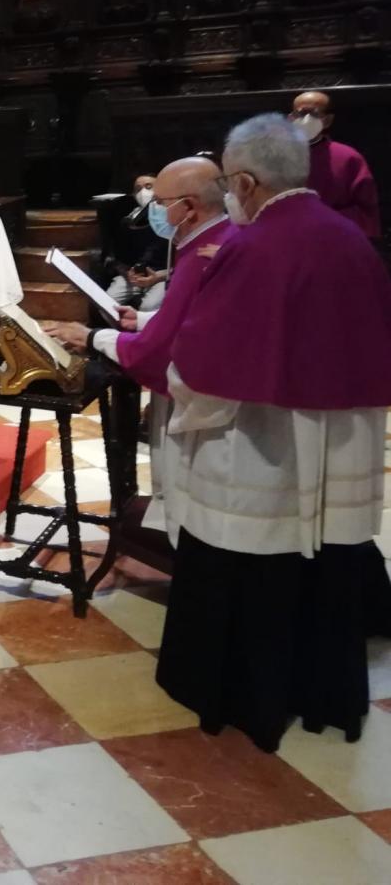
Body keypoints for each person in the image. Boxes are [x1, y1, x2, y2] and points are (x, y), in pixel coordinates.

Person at [156, 112, 391, 752]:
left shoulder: (249, 247)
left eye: (232, 183)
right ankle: (322, 691)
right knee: (325, 562)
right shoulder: (350, 238)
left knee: (252, 563)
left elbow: (203, 363)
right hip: (343, 438)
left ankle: (242, 694)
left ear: (249, 182)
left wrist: (175, 387)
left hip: (263, 447)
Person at [47, 156, 237, 529]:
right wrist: (145, 320)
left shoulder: (204, 253)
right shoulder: (213, 239)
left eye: (162, 203)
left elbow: (158, 351)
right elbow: (188, 319)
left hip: (205, 399)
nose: (155, 210)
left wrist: (92, 336)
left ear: (190, 206)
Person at [289, 90, 380, 239]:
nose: (306, 119)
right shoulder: (274, 157)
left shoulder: (349, 158)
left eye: (314, 114)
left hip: (334, 240)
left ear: (328, 120)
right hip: (287, 239)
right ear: (290, 118)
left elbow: (366, 211)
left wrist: (321, 220)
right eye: (300, 114)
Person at [104, 174, 169, 311]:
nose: (143, 192)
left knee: (148, 307)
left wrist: (158, 277)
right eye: (138, 189)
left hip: (161, 276)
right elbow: (119, 259)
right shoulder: (127, 222)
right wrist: (128, 273)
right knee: (106, 303)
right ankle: (122, 330)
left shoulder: (171, 218)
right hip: (134, 276)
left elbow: (180, 263)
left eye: (149, 187)